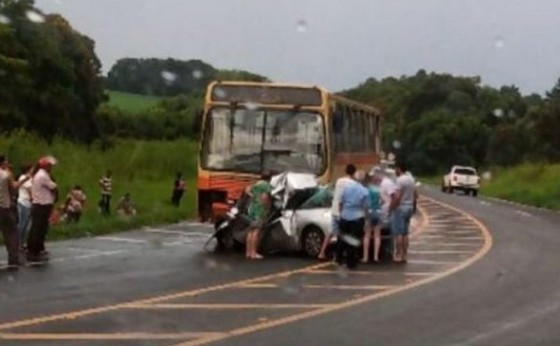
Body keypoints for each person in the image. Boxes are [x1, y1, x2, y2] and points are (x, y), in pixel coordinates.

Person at [318, 164, 356, 260]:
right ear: (354, 173)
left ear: (345, 171)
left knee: (330, 233)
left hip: (334, 210)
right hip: (344, 212)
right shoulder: (353, 184)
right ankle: (340, 255)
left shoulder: (339, 180)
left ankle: (322, 252)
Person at [0, 155, 32, 269]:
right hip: (4, 207)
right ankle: (13, 258)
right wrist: (25, 178)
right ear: (3, 163)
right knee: (11, 233)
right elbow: (13, 188)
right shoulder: (5, 175)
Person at [27, 156, 57, 263]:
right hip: (42, 205)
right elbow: (53, 187)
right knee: (39, 229)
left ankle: (35, 249)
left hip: (39, 204)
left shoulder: (40, 174)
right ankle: (34, 252)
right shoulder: (43, 176)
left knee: (37, 228)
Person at [338, 170, 369, 269]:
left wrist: (341, 213)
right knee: (353, 240)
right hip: (357, 217)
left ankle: (339, 258)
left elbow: (340, 202)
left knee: (342, 238)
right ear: (363, 179)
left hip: (345, 215)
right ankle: (350, 262)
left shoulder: (346, 188)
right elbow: (366, 206)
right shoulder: (364, 191)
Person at [393, 162, 417, 263]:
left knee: (399, 233)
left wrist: (394, 206)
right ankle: (405, 255)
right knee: (406, 233)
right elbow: (416, 195)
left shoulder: (399, 180)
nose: (395, 171)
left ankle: (398, 255)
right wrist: (413, 206)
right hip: (410, 207)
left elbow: (397, 196)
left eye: (396, 169)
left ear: (399, 169)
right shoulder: (412, 179)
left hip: (401, 207)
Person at [244, 172, 272, 260]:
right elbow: (265, 197)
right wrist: (266, 208)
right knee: (256, 231)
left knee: (250, 231)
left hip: (252, 209)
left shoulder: (256, 184)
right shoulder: (266, 185)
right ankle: (253, 253)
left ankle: (248, 252)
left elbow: (247, 190)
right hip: (259, 210)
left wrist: (253, 197)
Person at [377, 166, 399, 261]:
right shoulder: (381, 184)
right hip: (383, 212)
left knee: (391, 232)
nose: (373, 177)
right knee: (385, 232)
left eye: (374, 175)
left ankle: (391, 252)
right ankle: (387, 251)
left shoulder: (387, 183)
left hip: (388, 212)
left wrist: (390, 209)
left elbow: (394, 197)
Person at [362, 172, 382, 263]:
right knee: (377, 235)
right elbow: (383, 200)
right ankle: (376, 257)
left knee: (367, 235)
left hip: (369, 212)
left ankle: (365, 257)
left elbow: (364, 202)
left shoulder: (367, 189)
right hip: (377, 212)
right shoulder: (379, 189)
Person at [16, 163, 34, 251]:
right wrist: (33, 198)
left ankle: (24, 242)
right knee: (22, 224)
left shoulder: (30, 178)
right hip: (24, 202)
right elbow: (30, 189)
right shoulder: (23, 177)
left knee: (28, 224)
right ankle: (18, 242)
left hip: (29, 203)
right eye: (32, 168)